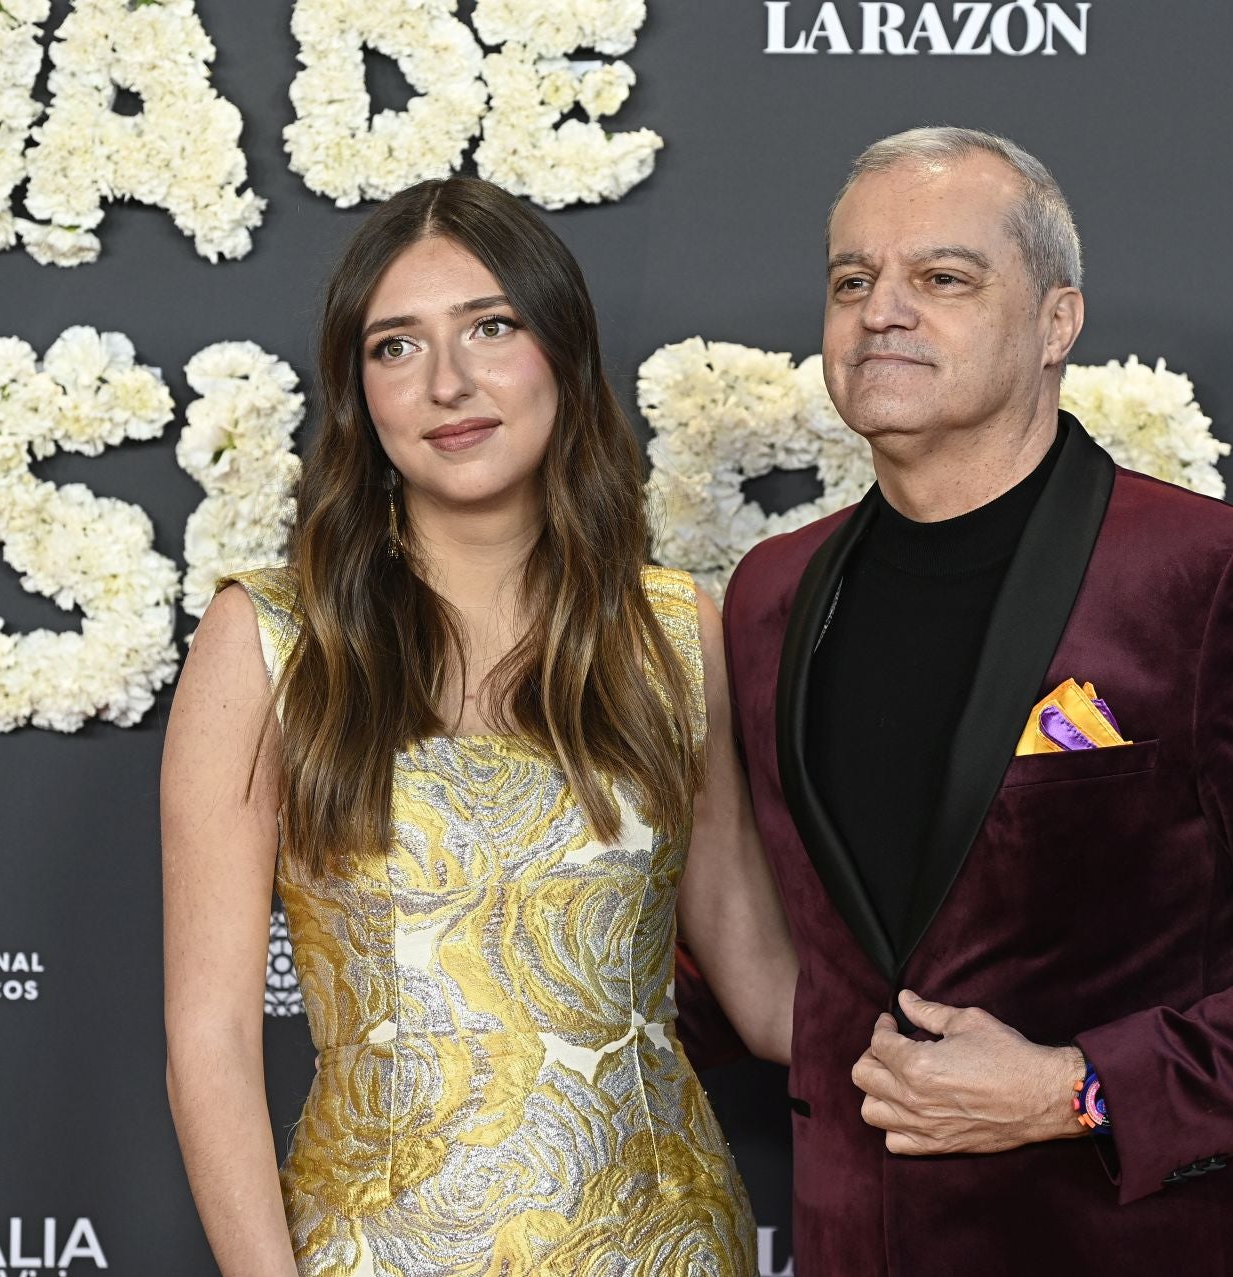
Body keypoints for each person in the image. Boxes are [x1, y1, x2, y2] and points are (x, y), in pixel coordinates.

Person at [713, 127, 1233, 1273]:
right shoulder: (771, 594)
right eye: (852, 280)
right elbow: (797, 966)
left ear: (1058, 322)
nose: (881, 312)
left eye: (943, 278)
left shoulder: (1208, 576)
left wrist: (1081, 1088)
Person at [160, 176, 792, 1277]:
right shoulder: (266, 640)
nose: (448, 382)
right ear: (360, 393)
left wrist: (1054, 1038)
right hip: (377, 1252)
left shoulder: (674, 631)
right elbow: (208, 1041)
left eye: (490, 327)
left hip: (666, 1248)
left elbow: (766, 986)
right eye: (396, 346)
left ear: (562, 351)